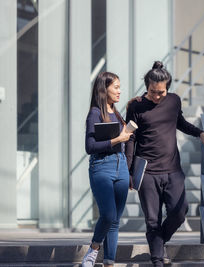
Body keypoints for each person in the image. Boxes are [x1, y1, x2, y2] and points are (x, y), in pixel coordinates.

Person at [125, 61, 204, 266]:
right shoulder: (136, 106)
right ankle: (157, 259)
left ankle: (158, 243)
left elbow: (180, 122)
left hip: (172, 169)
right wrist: (128, 170)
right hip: (147, 172)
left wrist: (200, 133)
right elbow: (130, 139)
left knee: (179, 211)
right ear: (146, 87)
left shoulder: (174, 101)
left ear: (168, 88)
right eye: (152, 92)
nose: (157, 96)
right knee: (152, 220)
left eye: (161, 92)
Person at [82, 72, 132, 267]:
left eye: (120, 87)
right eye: (116, 87)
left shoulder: (117, 113)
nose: (120, 91)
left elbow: (125, 142)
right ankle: (94, 249)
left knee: (116, 221)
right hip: (101, 166)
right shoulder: (94, 113)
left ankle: (109, 263)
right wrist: (118, 139)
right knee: (109, 214)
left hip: (121, 167)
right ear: (104, 89)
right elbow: (90, 147)